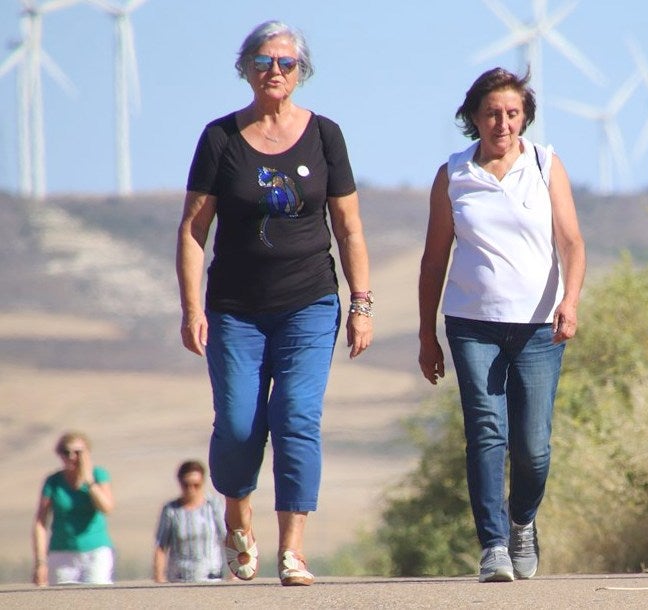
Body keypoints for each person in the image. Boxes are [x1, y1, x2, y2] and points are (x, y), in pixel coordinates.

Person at [176, 20, 372, 587]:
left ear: (301, 70)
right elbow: (193, 229)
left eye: (286, 62)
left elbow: (349, 227)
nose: (275, 72)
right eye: (263, 62)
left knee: (296, 417)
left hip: (309, 303)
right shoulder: (220, 138)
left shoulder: (325, 135)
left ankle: (293, 550)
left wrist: (361, 303)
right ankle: (238, 511)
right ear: (246, 68)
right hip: (235, 309)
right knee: (239, 424)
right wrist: (193, 309)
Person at [418, 67, 586, 583]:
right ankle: (492, 545)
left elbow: (572, 244)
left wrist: (571, 302)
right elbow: (433, 259)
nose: (503, 122)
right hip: (473, 323)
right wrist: (428, 334)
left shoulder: (544, 163)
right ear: (473, 117)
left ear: (524, 117)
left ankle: (522, 523)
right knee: (487, 433)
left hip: (538, 327)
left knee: (533, 447)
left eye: (512, 113)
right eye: (492, 113)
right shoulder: (453, 174)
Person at [31, 431, 115, 586]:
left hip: (95, 552)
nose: (71, 457)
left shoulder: (98, 475)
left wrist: (89, 482)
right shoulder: (53, 482)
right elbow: (40, 523)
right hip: (62, 553)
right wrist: (40, 561)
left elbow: (107, 507)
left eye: (77, 452)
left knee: (98, 598)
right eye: (66, 452)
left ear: (87, 453)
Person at [153, 460, 226, 583]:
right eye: (186, 485)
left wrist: (234, 572)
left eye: (196, 485)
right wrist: (159, 577)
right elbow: (161, 546)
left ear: (203, 482)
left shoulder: (213, 506)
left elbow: (226, 538)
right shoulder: (171, 510)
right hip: (179, 579)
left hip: (211, 577)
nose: (191, 490)